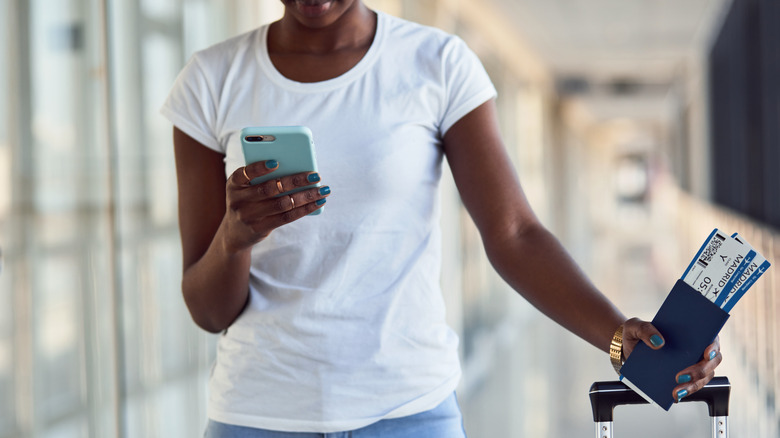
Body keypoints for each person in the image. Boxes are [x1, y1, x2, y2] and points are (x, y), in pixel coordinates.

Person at [161, 0, 722, 436]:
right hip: (259, 419)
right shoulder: (211, 80)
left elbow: (515, 235)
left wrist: (618, 338)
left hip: (410, 414)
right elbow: (209, 311)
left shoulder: (437, 63)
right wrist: (235, 240)